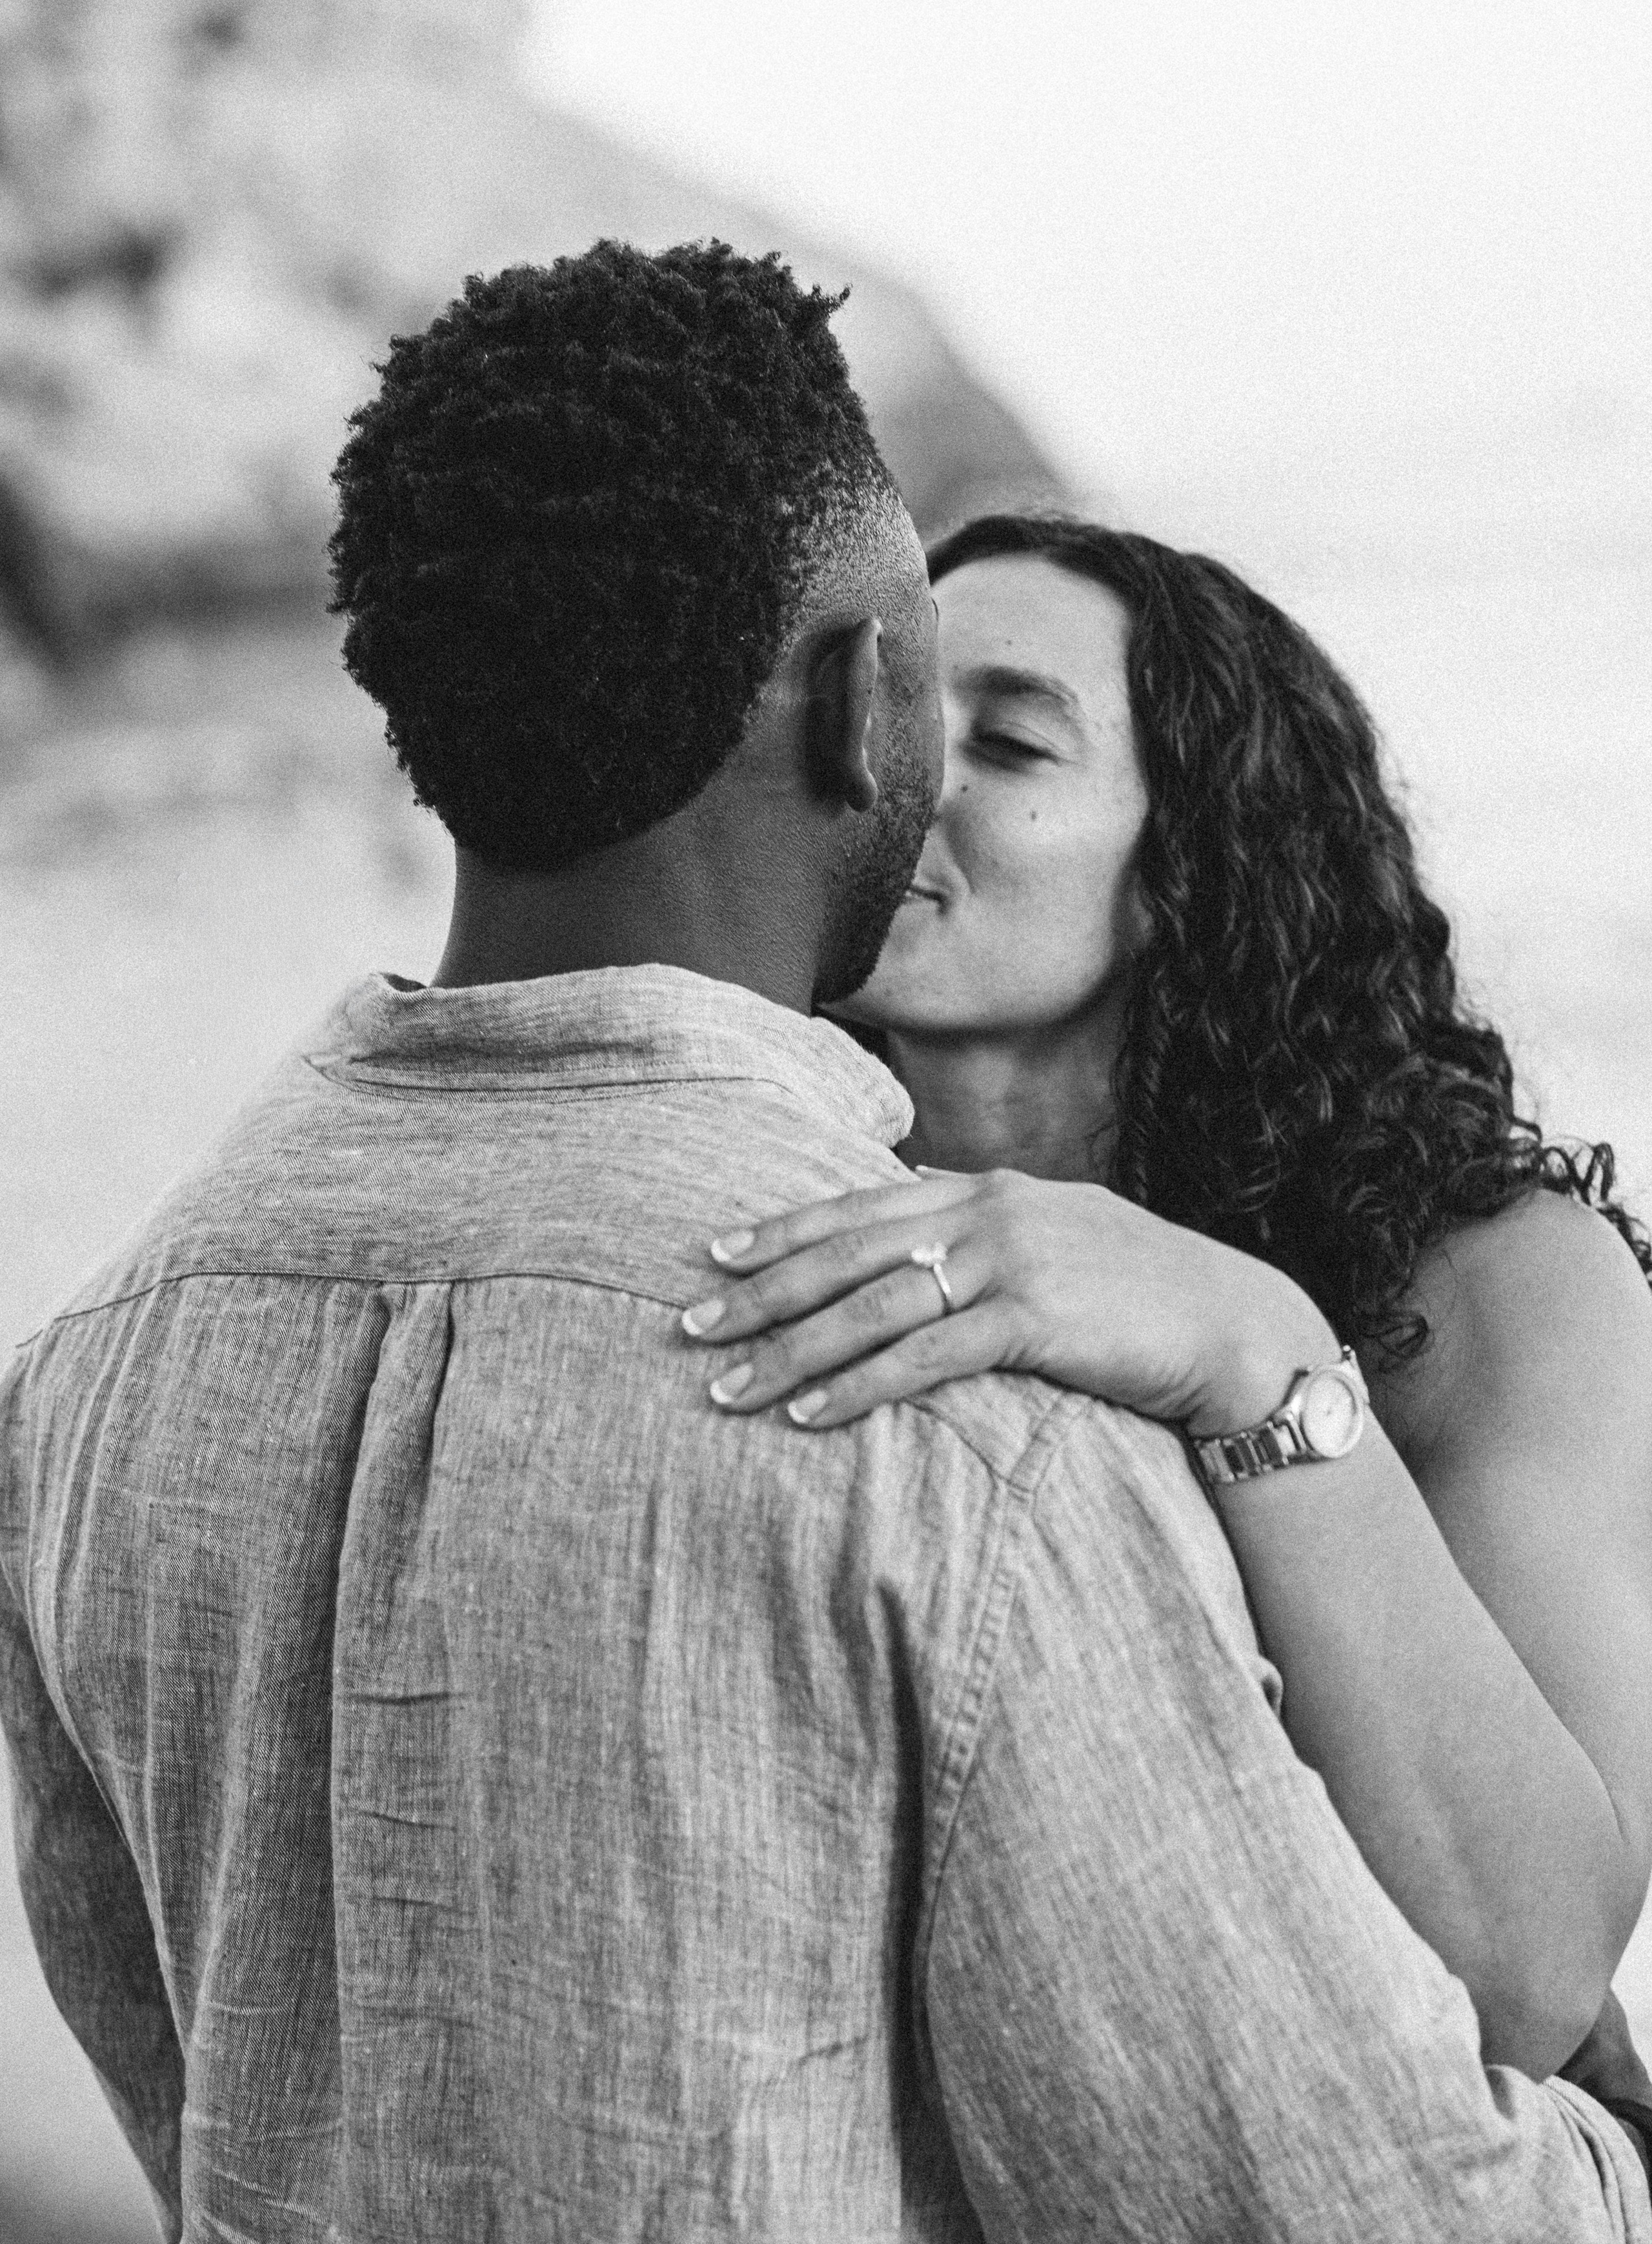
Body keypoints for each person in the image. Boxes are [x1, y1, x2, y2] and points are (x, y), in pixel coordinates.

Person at [1, 248, 1649, 2244]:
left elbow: (193, 2081)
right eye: (945, 705)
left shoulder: (95, 1369)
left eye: (1024, 738)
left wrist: (1265, 1351)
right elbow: (1357, 2197)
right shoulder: (955, 1414)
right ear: (867, 709)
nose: (947, 775)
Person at [683, 511, 1652, 2109]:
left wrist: (1248, 1348)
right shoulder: (756, 1203)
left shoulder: (1496, 1277)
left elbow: (1529, 1975)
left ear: (1189, 863)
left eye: (1003, 740)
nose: (899, 781)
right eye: (880, 718)